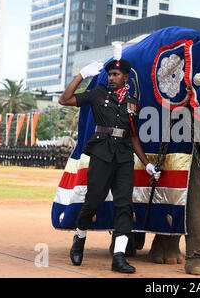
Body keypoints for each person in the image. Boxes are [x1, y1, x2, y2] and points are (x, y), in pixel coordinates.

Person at [59, 58, 161, 274]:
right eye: (110, 74)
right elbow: (64, 100)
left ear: (126, 77)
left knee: (124, 205)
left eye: (116, 75)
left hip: (124, 156)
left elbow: (133, 135)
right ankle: (79, 238)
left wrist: (147, 164)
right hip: (102, 154)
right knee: (93, 202)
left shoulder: (132, 102)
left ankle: (119, 256)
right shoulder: (98, 94)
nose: (111, 78)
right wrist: (81, 76)